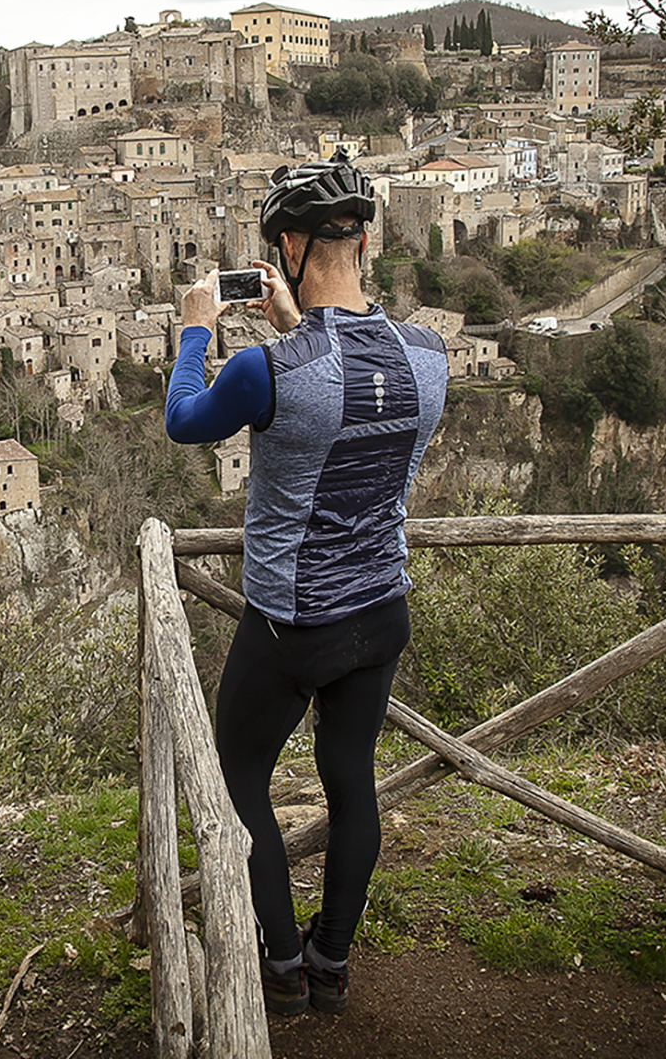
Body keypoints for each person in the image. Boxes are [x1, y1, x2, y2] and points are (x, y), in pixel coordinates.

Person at [163, 151, 447, 1016]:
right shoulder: (431, 356)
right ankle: (332, 963)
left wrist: (196, 327)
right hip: (381, 611)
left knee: (239, 768)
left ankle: (280, 965)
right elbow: (352, 381)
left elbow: (184, 421)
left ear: (287, 247)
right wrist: (297, 322)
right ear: (362, 240)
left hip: (293, 622)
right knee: (350, 780)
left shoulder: (268, 370)